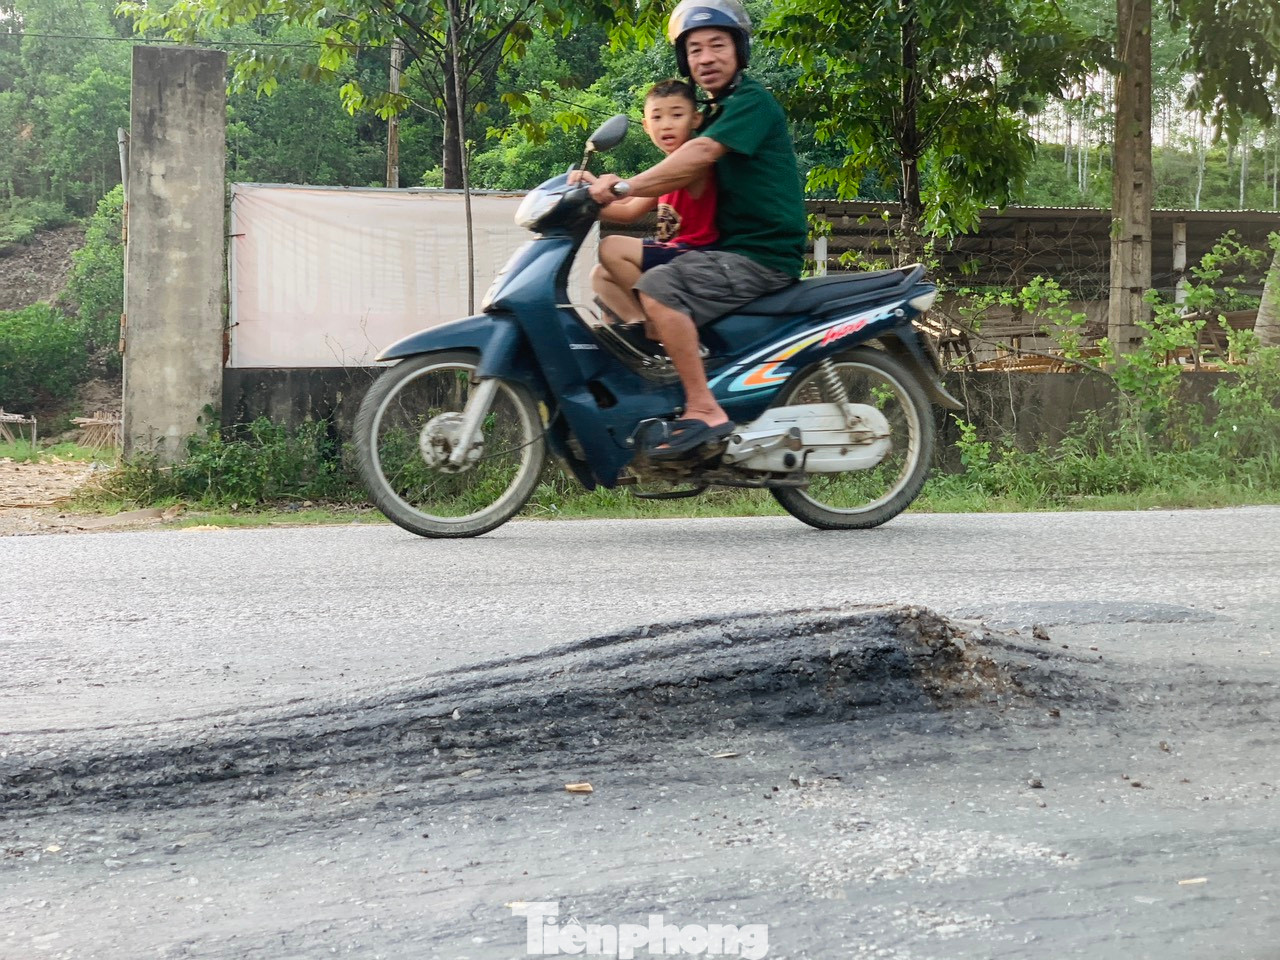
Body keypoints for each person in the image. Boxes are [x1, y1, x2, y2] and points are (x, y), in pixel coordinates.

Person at [587, 0, 807, 459]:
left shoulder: (750, 102)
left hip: (759, 255)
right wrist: (585, 194)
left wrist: (623, 184)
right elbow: (654, 186)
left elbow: (699, 155)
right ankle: (666, 354)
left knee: (661, 286)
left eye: (717, 45)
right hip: (728, 254)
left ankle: (704, 407)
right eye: (694, 50)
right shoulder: (716, 110)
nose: (705, 58)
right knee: (603, 275)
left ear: (739, 50)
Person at [582, 79, 719, 341]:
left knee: (610, 247)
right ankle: (643, 329)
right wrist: (581, 203)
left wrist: (605, 192)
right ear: (646, 126)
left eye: (677, 115)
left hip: (696, 253)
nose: (666, 124)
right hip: (673, 254)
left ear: (696, 119)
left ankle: (659, 323)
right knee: (601, 276)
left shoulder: (693, 163)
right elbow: (628, 211)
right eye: (657, 117)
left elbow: (628, 197)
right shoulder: (666, 169)